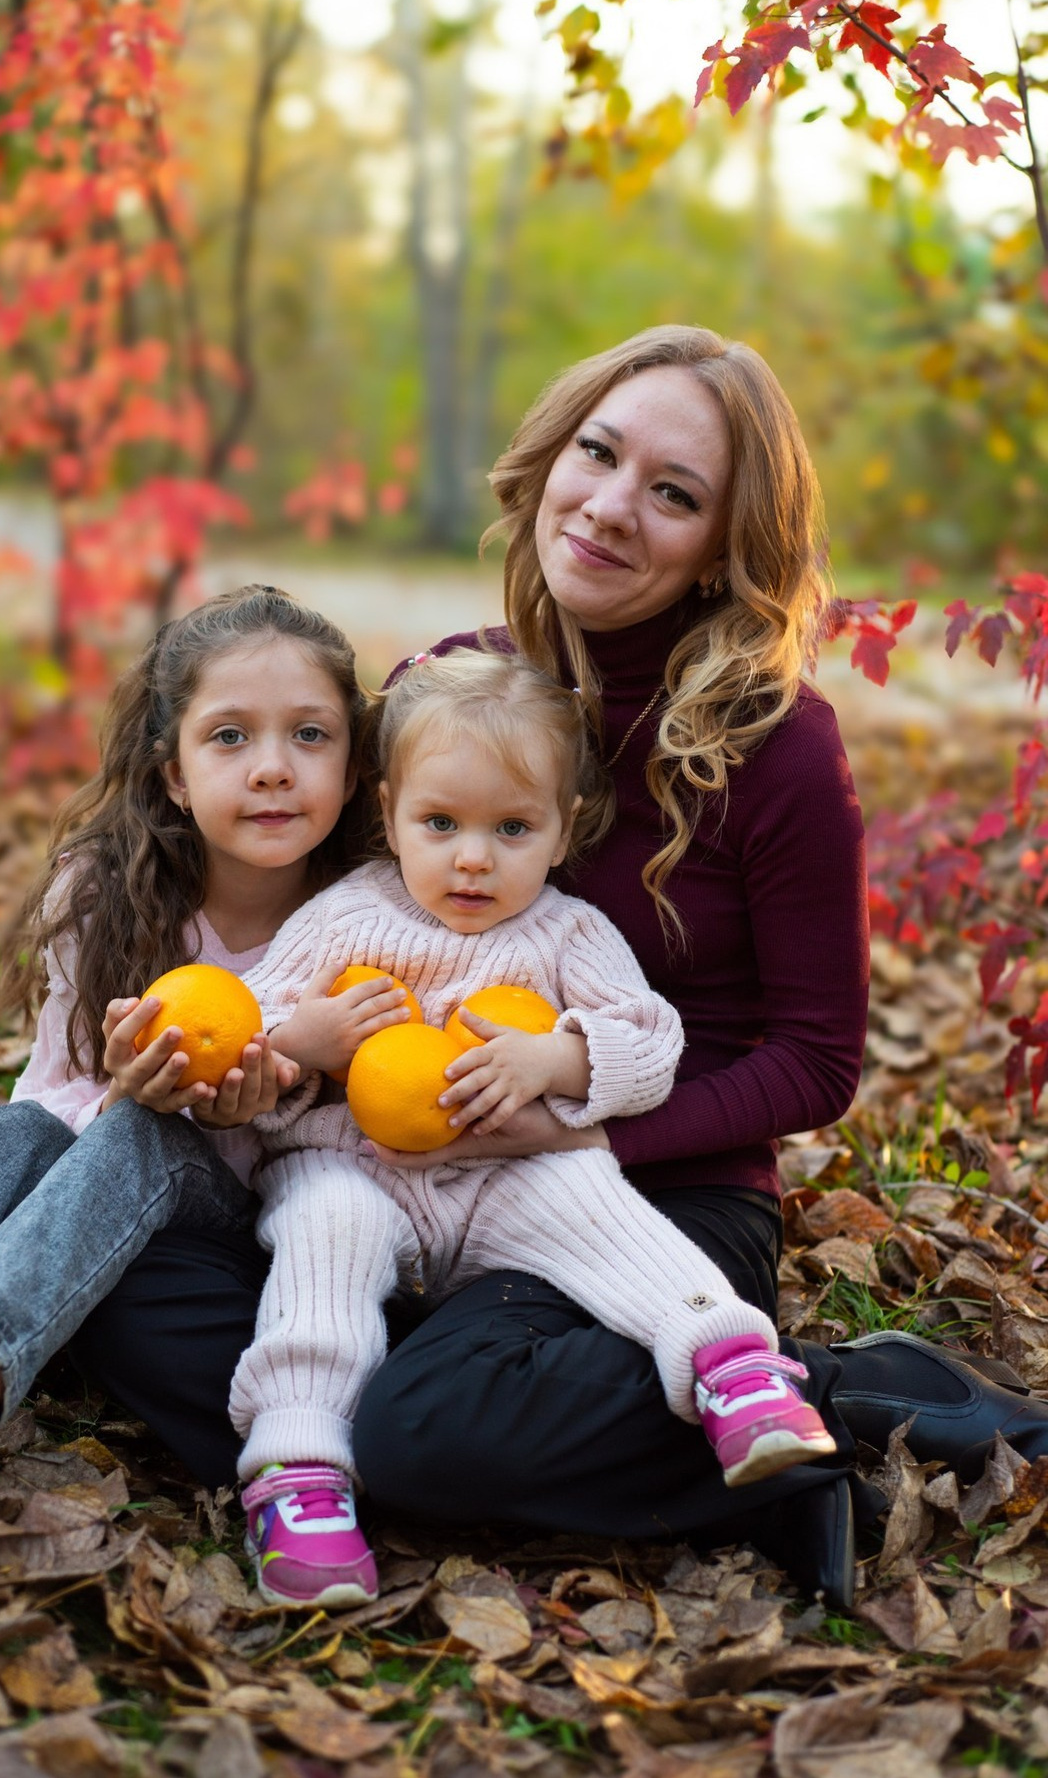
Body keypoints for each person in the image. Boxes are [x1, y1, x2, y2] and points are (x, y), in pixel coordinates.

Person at [71, 326, 1048, 1608]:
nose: (609, 504)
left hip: (640, 1194)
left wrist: (568, 1125)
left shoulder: (779, 749)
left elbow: (814, 1064)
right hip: (394, 1176)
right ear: (549, 457)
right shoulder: (447, 690)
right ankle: (507, 1417)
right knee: (133, 1288)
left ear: (723, 547)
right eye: (597, 452)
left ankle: (833, 1397)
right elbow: (349, 939)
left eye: (674, 493)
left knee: (426, 1436)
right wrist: (254, 1058)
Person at [0, 585, 398, 1619]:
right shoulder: (105, 893)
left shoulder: (374, 920)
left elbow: (370, 1157)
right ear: (173, 774)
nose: (272, 766)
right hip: (114, 1185)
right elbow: (49, 1099)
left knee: (142, 1127)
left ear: (355, 766)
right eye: (229, 736)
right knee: (19, 1126)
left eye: (310, 735)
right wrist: (125, 1090)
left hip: (258, 1235)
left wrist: (269, 1085)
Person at [231, 646, 836, 1609]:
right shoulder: (342, 917)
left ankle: (730, 1361)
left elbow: (652, 1041)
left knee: (591, 1199)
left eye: (512, 828)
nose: (473, 858)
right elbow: (251, 1027)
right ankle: (298, 1469)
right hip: (356, 1165)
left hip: (508, 1173)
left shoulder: (567, 931)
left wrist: (559, 1060)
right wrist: (300, 1042)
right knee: (323, 1243)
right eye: (440, 824)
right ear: (388, 812)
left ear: (564, 832)